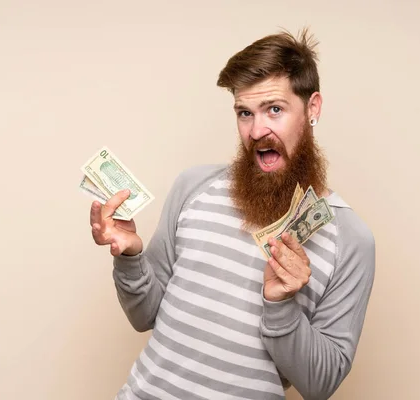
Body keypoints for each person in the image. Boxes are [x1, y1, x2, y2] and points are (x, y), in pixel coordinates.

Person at [89, 28, 375, 400]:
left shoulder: (351, 239)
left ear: (313, 107)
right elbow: (144, 316)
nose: (258, 130)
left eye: (275, 109)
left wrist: (281, 306)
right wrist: (130, 257)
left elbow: (321, 385)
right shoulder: (193, 187)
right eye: (244, 113)